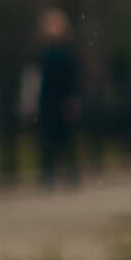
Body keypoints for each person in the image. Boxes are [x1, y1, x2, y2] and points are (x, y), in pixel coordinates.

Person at [29, 10, 81, 189]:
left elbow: (72, 78)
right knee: (49, 140)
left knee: (65, 139)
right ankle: (49, 174)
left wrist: (72, 99)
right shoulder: (44, 54)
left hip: (61, 101)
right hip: (49, 102)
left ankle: (70, 174)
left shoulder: (66, 54)